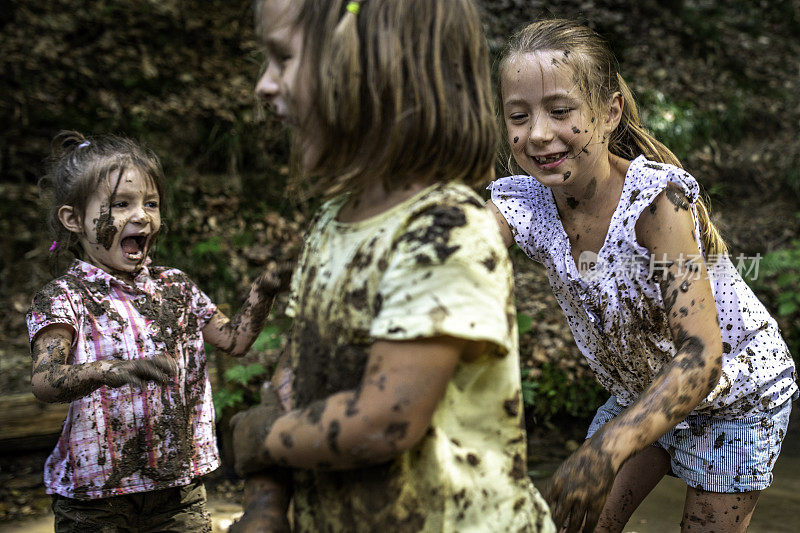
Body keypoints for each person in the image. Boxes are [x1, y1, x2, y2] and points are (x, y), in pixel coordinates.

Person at [228, 0, 556, 531]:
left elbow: (386, 420)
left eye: (283, 59)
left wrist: (258, 440)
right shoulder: (332, 222)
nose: (265, 85)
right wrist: (265, 505)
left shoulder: (445, 229)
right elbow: (295, 376)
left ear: (368, 67)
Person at [487, 18, 798, 533]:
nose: (538, 134)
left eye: (560, 112)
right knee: (569, 524)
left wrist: (609, 445)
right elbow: (456, 254)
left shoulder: (656, 203)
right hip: (643, 389)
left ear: (608, 113)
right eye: (519, 116)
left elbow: (701, 358)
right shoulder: (527, 202)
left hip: (739, 396)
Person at [26, 130, 284, 532]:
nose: (142, 216)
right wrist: (113, 370)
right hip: (95, 498)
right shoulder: (64, 297)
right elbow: (45, 381)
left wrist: (264, 290)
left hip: (178, 489)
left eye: (151, 203)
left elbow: (234, 340)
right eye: (121, 204)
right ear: (73, 219)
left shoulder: (176, 288)